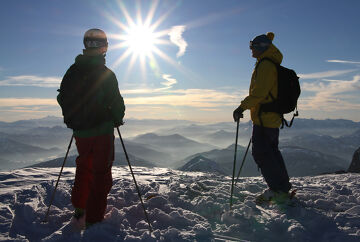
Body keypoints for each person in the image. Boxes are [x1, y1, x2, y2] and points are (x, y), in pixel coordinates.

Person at [57, 28, 125, 227]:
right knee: (101, 173)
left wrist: (75, 116)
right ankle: (94, 219)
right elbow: (117, 102)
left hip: (81, 131)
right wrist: (117, 119)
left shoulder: (72, 71)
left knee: (84, 166)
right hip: (102, 130)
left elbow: (62, 97)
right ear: (105, 48)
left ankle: (80, 209)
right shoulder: (106, 74)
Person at [233, 32, 292, 203]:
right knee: (271, 152)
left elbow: (259, 94)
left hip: (265, 117)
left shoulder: (265, 65)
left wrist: (241, 107)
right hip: (269, 117)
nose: (250, 49)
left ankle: (278, 190)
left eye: (253, 46)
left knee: (262, 153)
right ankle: (282, 187)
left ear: (261, 47)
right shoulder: (266, 63)